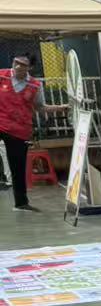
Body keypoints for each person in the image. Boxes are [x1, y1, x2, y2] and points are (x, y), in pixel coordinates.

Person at [1, 55, 47, 211]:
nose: (18, 67)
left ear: (29, 67)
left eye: (22, 64)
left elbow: (40, 107)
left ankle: (21, 203)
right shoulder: (2, 75)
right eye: (16, 63)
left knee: (18, 167)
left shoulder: (35, 85)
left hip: (19, 129)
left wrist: (62, 107)